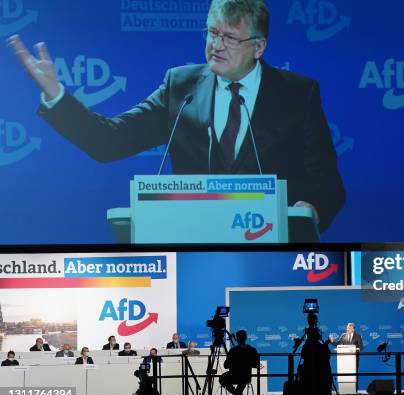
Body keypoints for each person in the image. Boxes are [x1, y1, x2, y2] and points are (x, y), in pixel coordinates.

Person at [6, 0, 345, 233]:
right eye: (212, 32)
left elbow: (327, 183)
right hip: (194, 245)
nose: (216, 45)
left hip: (267, 245)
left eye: (230, 37)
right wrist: (56, 95)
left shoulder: (298, 94)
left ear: (259, 47)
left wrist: (308, 210)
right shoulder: (180, 86)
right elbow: (108, 142)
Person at [219, 330, 259, 395]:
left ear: (237, 338)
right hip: (246, 377)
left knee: (222, 379)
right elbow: (256, 365)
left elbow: (226, 366)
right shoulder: (253, 350)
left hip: (233, 376)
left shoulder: (233, 351)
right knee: (242, 380)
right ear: (246, 338)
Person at [299, 327, 332, 395]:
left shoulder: (307, 345)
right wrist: (325, 345)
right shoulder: (318, 345)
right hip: (318, 373)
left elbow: (303, 355)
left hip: (309, 372)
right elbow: (326, 355)